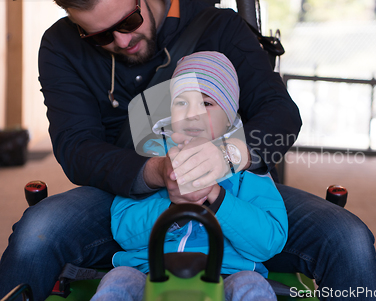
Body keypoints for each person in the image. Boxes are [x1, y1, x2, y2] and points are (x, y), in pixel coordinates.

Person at [0, 0, 376, 300]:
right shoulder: (61, 46)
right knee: (38, 232)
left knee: (348, 240)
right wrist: (154, 173)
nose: (121, 41)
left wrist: (227, 157)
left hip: (235, 184)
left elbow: (282, 115)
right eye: (100, 36)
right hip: (126, 192)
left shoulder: (220, 27)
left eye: (129, 21)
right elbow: (75, 147)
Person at [90, 51, 287, 301]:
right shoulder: (152, 160)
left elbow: (269, 241)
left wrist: (217, 198)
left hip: (227, 272)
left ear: (229, 117)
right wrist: (174, 207)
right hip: (151, 271)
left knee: (252, 287)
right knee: (117, 282)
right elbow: (123, 230)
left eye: (206, 103)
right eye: (182, 102)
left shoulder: (247, 171)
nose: (192, 114)